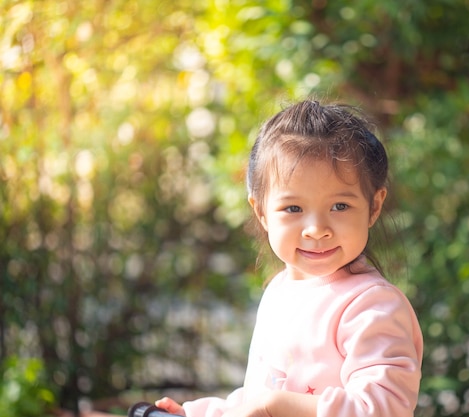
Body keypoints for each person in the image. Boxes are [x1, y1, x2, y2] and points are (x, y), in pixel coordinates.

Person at [155, 100, 423, 417]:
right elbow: (263, 394)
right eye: (293, 208)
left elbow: (383, 409)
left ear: (374, 207)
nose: (316, 230)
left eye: (340, 206)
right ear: (262, 212)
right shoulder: (279, 291)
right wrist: (200, 414)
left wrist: (274, 406)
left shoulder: (372, 306)